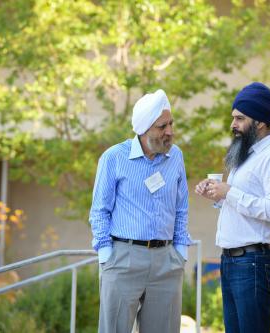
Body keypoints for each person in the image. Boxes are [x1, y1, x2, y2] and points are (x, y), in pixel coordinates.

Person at [89, 89, 192, 333]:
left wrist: (180, 252)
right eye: (162, 126)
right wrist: (107, 255)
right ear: (144, 129)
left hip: (166, 262)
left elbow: (182, 207)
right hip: (123, 257)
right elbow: (99, 211)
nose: (170, 131)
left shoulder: (176, 157)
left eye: (171, 124)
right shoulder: (113, 157)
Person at [195, 82, 270, 333]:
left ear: (260, 121)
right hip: (232, 261)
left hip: (253, 262)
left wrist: (230, 191)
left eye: (240, 118)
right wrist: (218, 195)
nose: (233, 125)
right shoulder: (247, 155)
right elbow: (243, 204)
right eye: (233, 118)